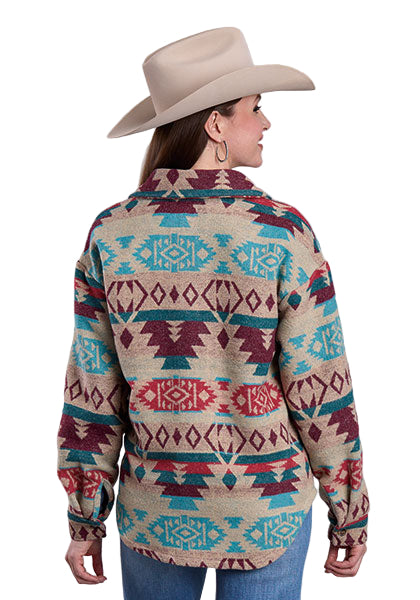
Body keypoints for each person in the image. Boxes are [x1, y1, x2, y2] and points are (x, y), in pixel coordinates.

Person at [57, 27, 370, 600]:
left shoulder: (111, 233)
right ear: (216, 125)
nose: (266, 122)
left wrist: (85, 518)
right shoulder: (281, 231)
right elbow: (321, 384)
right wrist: (349, 511)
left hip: (156, 507)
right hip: (268, 508)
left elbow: (93, 389)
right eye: (255, 107)